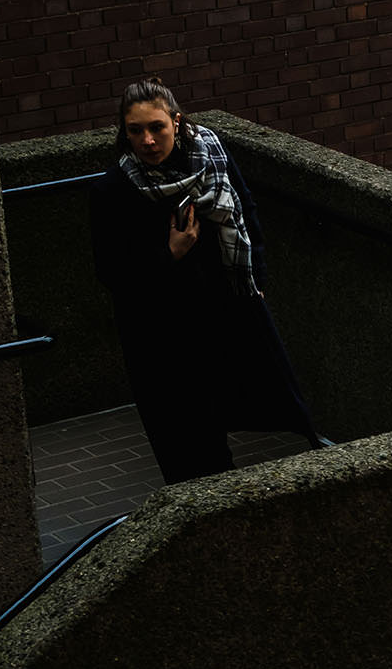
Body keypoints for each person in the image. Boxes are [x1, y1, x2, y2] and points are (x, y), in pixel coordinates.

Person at [89, 79, 323, 484]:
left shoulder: (209, 152)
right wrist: (171, 253)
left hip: (221, 311)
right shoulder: (114, 189)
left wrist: (256, 278)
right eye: (135, 130)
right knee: (188, 447)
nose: (146, 140)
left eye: (156, 127)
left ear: (176, 122)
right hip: (160, 334)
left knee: (230, 413)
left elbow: (246, 209)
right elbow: (113, 272)